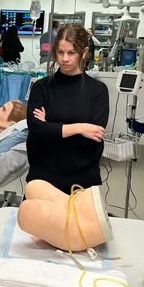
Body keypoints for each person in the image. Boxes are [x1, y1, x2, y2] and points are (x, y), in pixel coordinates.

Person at [26, 23, 109, 194]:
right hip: (43, 178)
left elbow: (93, 138)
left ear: (84, 53)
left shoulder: (98, 91)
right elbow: (36, 130)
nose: (64, 58)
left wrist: (51, 127)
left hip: (83, 180)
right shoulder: (41, 88)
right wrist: (80, 128)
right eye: (60, 52)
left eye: (71, 53)